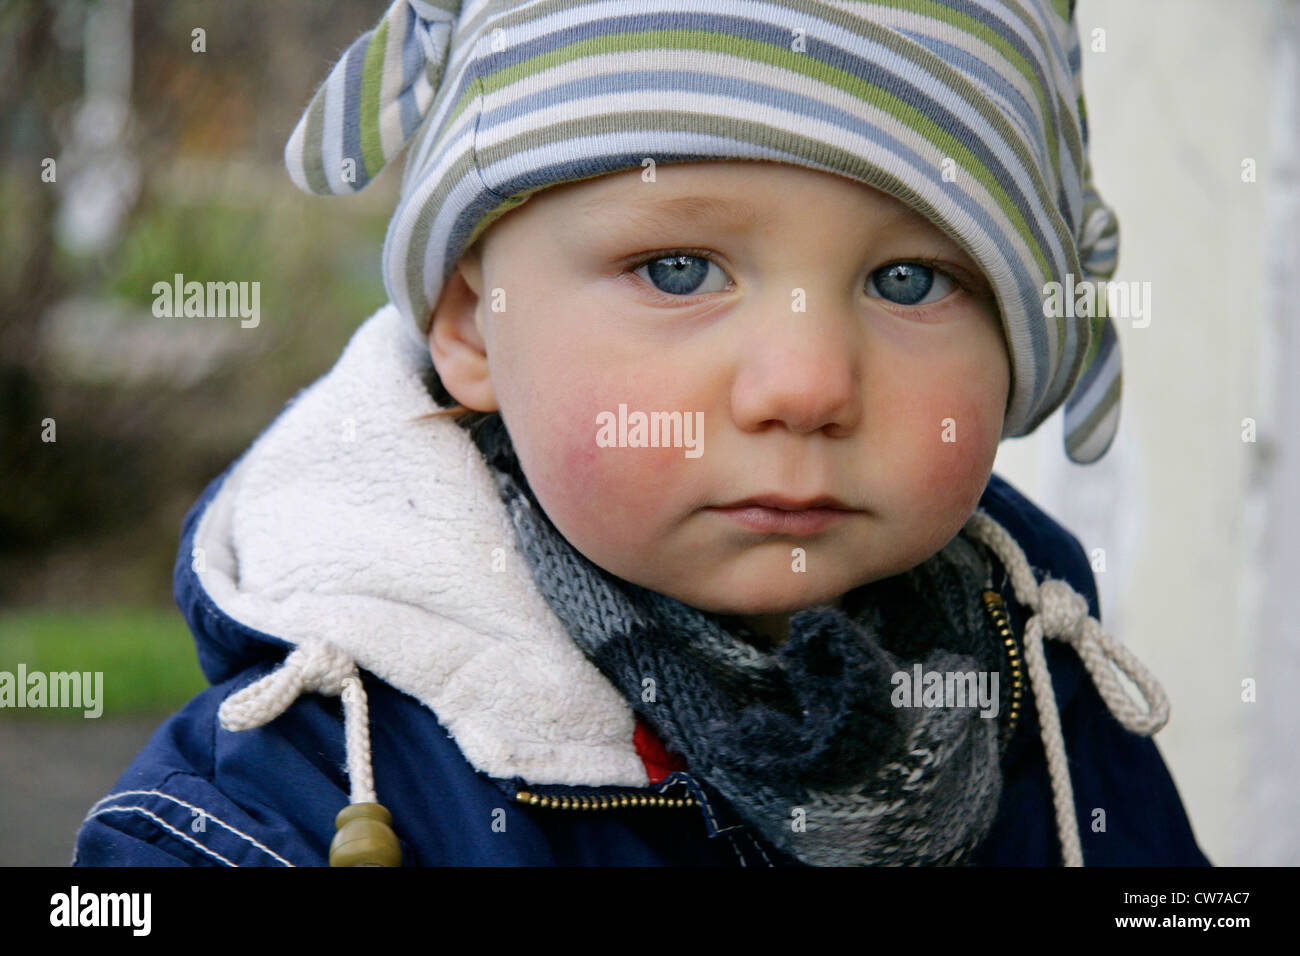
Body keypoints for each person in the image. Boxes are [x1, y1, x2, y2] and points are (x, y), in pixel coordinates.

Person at [74, 0, 1210, 867]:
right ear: (474, 323)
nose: (806, 383)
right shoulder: (292, 801)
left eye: (908, 279)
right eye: (680, 270)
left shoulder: (1054, 709)